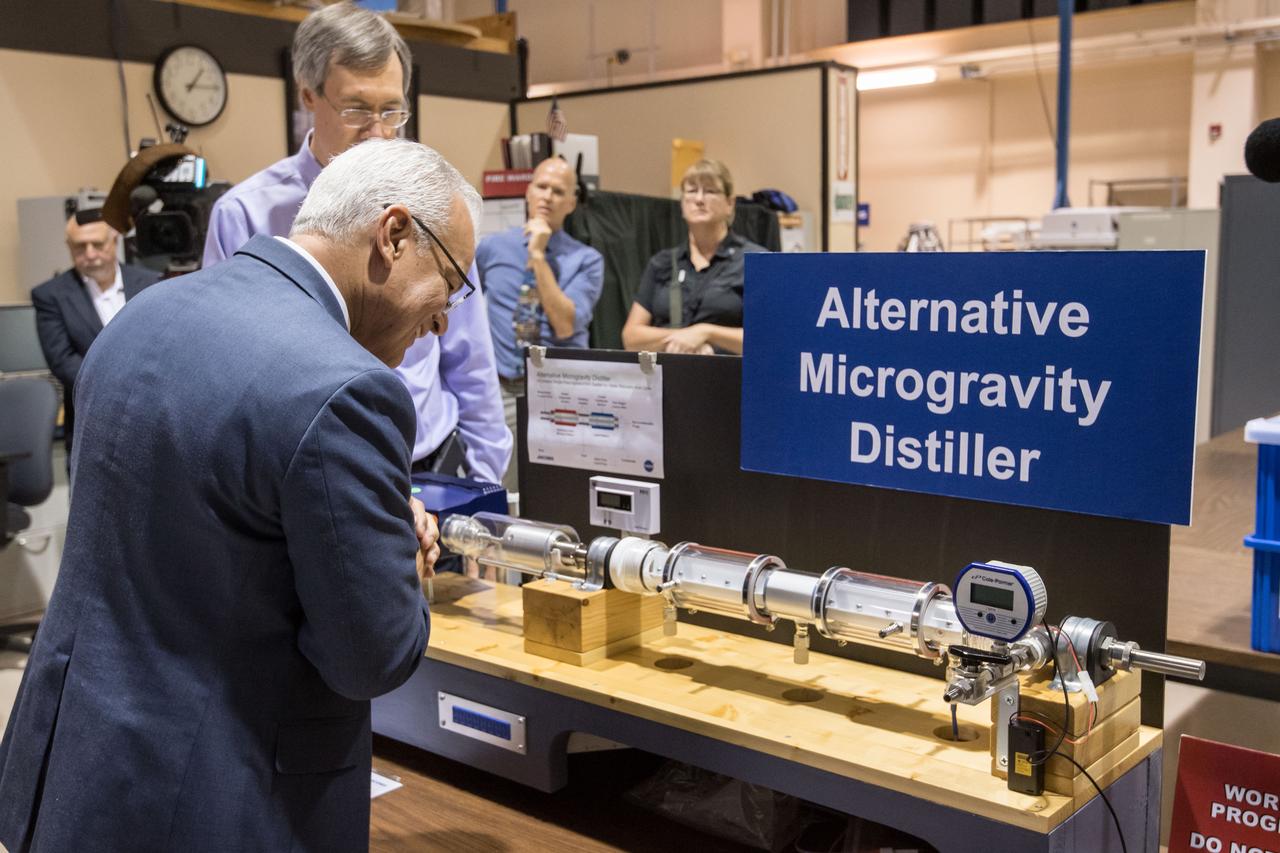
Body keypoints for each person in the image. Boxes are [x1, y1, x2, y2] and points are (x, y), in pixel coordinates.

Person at [0, 138, 473, 852]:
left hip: (77, 772)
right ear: (395, 234)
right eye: (450, 282)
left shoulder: (144, 315)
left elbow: (200, 526)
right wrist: (396, 556)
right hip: (219, 798)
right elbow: (368, 655)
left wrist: (359, 521)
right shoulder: (347, 387)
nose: (443, 320)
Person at [202, 0, 510, 483]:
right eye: (357, 109)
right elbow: (226, 371)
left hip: (430, 466)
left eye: (392, 110)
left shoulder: (437, 202)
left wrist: (484, 484)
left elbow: (470, 357)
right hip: (312, 472)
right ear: (307, 95)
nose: (378, 133)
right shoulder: (246, 215)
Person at [475, 156, 604, 492]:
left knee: (562, 489)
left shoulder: (586, 260)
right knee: (505, 487)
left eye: (558, 191)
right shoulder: (491, 247)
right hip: (504, 386)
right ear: (529, 192)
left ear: (571, 203)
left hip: (561, 388)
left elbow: (565, 325)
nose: (547, 196)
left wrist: (538, 255)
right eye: (542, 187)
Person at [31, 214, 161, 456]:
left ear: (114, 241)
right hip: (91, 422)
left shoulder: (151, 282)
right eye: (80, 246)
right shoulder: (51, 295)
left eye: (97, 244)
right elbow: (62, 360)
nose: (90, 254)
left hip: (153, 418)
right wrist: (121, 391)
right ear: (69, 248)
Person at [621, 159, 766, 355]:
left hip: (730, 379)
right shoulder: (662, 262)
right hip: (670, 379)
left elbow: (766, 338)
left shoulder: (754, 261)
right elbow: (631, 338)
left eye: (710, 191)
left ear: (730, 204)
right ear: (682, 203)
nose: (699, 199)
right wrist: (685, 339)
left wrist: (707, 333)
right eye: (691, 191)